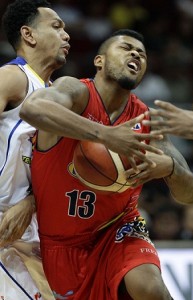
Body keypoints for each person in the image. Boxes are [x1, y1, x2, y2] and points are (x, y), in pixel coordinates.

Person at [20, 29, 193, 300]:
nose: (136, 54)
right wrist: (104, 134)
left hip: (119, 228)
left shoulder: (144, 119)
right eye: (126, 47)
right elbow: (32, 109)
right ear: (99, 61)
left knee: (151, 289)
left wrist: (170, 169)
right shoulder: (75, 91)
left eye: (142, 54)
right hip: (61, 244)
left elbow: (189, 194)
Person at [0, 0, 70, 298]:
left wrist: (31, 201)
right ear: (28, 35)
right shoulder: (13, 77)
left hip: (28, 228)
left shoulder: (54, 94)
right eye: (56, 27)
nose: (66, 35)